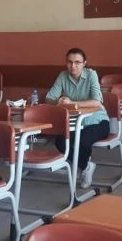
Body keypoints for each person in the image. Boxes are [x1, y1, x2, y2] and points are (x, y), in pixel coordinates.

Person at [46, 48, 110, 189]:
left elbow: (96, 101)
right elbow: (49, 98)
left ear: (84, 63)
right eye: (69, 62)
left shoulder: (91, 75)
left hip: (97, 121)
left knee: (83, 141)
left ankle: (79, 166)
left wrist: (72, 103)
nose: (73, 66)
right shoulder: (63, 76)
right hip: (74, 123)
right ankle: (86, 166)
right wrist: (58, 101)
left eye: (77, 62)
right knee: (60, 141)